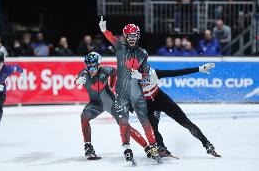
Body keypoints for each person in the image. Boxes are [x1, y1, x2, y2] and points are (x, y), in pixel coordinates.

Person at [99, 16, 161, 164]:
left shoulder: (143, 53)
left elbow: (146, 73)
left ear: (138, 36)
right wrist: (104, 30)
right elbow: (111, 37)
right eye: (129, 36)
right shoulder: (120, 47)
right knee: (123, 121)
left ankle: (153, 147)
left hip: (136, 91)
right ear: (125, 37)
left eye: (134, 36)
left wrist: (142, 75)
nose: (132, 39)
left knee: (144, 120)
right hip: (121, 92)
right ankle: (127, 148)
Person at [130, 63, 221, 158]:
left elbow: (177, 72)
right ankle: (161, 147)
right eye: (144, 75)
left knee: (185, 122)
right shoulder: (131, 79)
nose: (146, 77)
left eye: (147, 74)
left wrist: (199, 69)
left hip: (161, 99)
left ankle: (206, 144)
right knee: (153, 128)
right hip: (147, 105)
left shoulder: (154, 73)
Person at [75, 52, 149, 160]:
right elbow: (75, 81)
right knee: (84, 117)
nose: (91, 70)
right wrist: (77, 81)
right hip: (95, 104)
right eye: (89, 67)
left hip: (111, 103)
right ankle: (88, 146)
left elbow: (114, 71)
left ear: (98, 65)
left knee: (125, 125)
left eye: (93, 67)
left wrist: (111, 83)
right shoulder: (84, 74)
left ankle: (147, 147)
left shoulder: (105, 70)